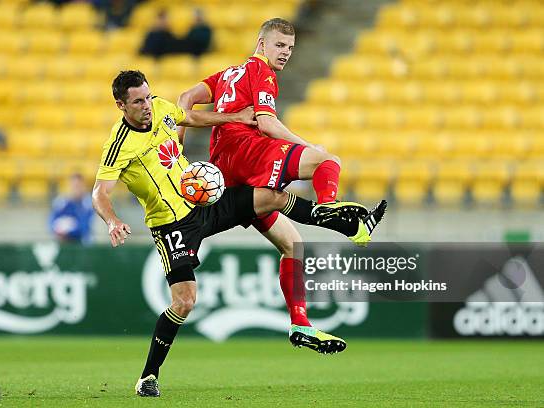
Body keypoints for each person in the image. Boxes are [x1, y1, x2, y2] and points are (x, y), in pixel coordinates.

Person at [92, 70, 376, 397]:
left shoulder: (160, 108)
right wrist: (112, 220)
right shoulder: (118, 144)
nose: (146, 105)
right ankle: (149, 376)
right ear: (121, 105)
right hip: (172, 225)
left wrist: (234, 117)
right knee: (184, 302)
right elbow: (100, 193)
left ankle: (342, 222)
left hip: (204, 200)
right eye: (138, 101)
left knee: (270, 196)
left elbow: (191, 116)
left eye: (147, 96)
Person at [178, 18, 387, 352]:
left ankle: (300, 324)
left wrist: (179, 148)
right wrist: (309, 147)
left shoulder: (230, 73)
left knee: (293, 245)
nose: (286, 53)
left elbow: (185, 98)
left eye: (290, 48)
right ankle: (331, 208)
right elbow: (268, 122)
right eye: (279, 45)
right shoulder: (261, 72)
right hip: (248, 154)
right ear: (262, 43)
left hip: (224, 173)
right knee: (327, 161)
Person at [49, 173, 95, 245]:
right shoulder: (62, 202)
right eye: (74, 186)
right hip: (63, 242)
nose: (76, 189)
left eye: (78, 186)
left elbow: (85, 227)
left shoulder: (88, 204)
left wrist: (69, 231)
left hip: (82, 243)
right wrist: (58, 230)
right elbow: (51, 222)